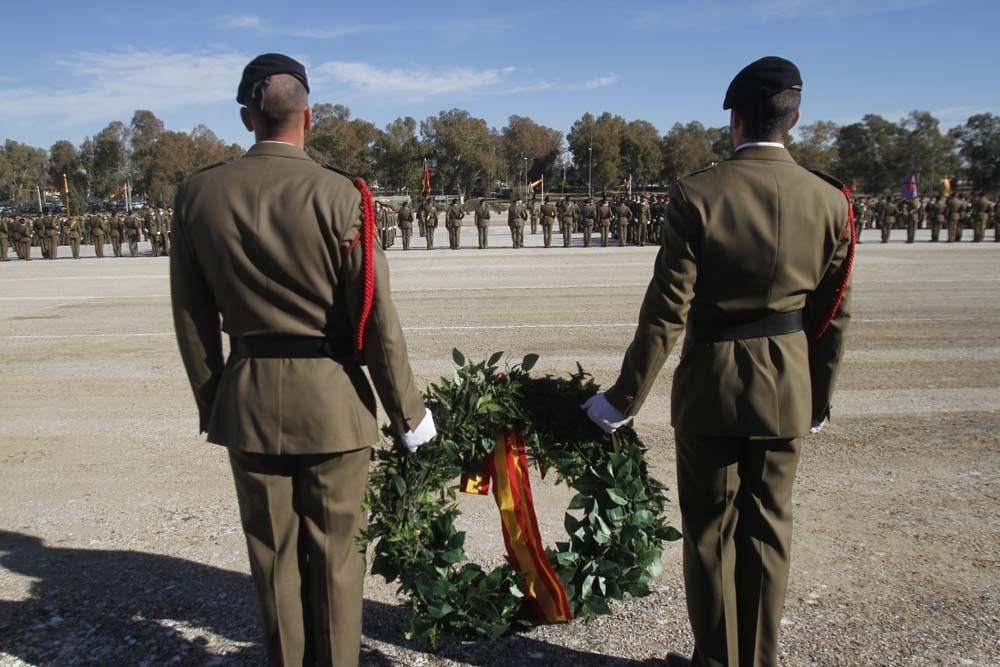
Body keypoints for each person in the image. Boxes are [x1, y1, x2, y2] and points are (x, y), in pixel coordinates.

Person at [584, 56, 853, 667]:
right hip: (788, 386)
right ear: (796, 118)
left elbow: (666, 312)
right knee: (768, 534)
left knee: (711, 536)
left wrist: (622, 399)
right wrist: (819, 396)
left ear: (735, 119)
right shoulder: (831, 200)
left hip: (712, 384)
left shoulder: (699, 193)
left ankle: (716, 660)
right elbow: (831, 317)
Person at [170, 54, 435, 667]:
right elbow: (375, 323)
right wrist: (408, 416)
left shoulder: (198, 195)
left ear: (246, 119)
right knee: (339, 563)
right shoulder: (342, 194)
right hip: (334, 400)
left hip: (250, 398)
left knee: (273, 559)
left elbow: (193, 321)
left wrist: (219, 402)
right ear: (308, 117)